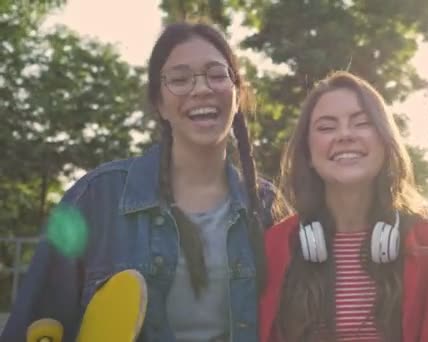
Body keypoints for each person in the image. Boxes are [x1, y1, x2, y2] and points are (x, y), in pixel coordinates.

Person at [1, 22, 277, 342]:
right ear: (159, 103)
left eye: (216, 74)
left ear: (237, 93)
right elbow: (34, 323)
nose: (201, 88)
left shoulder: (267, 205)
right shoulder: (94, 198)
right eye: (180, 79)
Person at [258, 71, 428, 342]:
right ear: (309, 154)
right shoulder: (275, 247)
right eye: (326, 127)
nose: (345, 135)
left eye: (362, 123)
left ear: (385, 142)